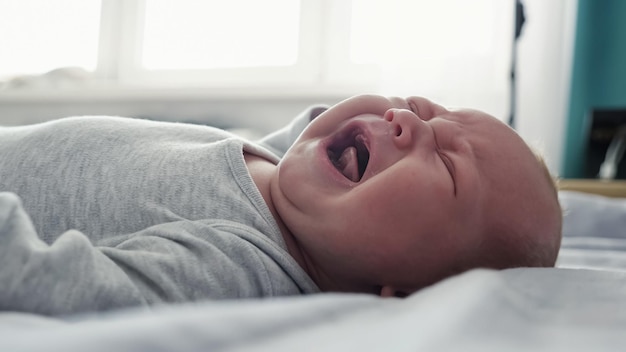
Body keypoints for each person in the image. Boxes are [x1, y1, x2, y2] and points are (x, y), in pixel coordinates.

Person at [0, 94, 562, 315]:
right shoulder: (286, 167)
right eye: (420, 105)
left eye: (445, 164)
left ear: (406, 292)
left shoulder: (240, 262)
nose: (408, 119)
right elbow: (313, 124)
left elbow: (61, 285)